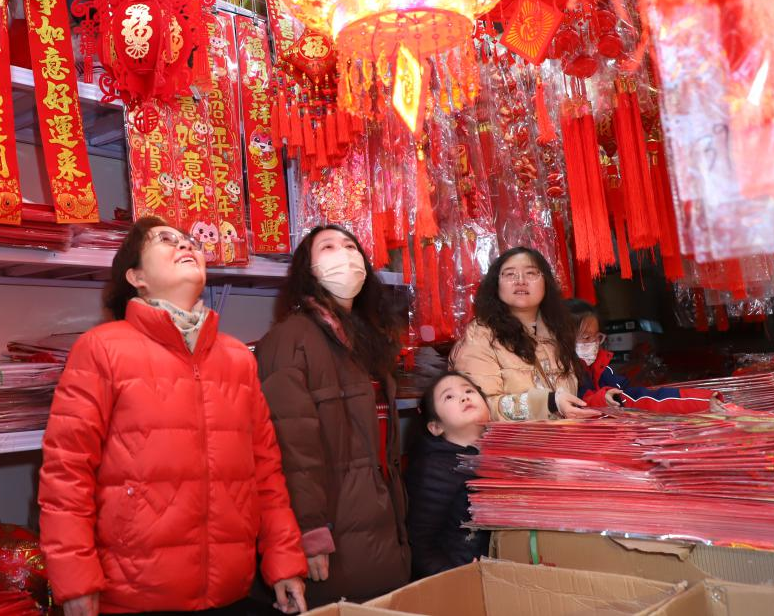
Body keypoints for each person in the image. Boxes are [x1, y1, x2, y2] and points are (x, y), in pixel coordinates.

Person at [39, 217, 308, 616]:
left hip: (230, 591)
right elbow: (67, 472)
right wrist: (75, 578)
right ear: (136, 277)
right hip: (134, 594)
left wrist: (284, 561)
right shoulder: (101, 349)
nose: (186, 246)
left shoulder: (237, 358)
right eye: (165, 240)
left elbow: (266, 473)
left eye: (190, 242)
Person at [254, 225, 411, 605]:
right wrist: (309, 533)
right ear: (307, 269)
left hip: (380, 526)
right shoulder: (290, 339)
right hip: (333, 536)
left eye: (351, 246)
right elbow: (292, 450)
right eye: (327, 247)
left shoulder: (366, 339)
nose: (345, 254)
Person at [450, 247, 601, 422]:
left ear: (546, 283)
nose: (520, 281)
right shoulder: (480, 336)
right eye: (510, 274)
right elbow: (479, 406)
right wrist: (548, 403)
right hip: (510, 439)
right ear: (496, 285)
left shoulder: (557, 332)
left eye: (531, 273)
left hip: (560, 436)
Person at [405, 372, 492, 579]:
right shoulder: (433, 468)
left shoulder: (494, 454)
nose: (464, 397)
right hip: (459, 578)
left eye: (469, 390)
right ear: (436, 427)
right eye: (449, 397)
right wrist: (454, 576)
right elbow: (419, 544)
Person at [566, 299, 717, 414]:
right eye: (586, 338)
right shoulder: (564, 377)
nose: (594, 344)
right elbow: (583, 403)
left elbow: (635, 397)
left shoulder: (602, 370)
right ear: (564, 339)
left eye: (597, 337)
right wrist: (602, 400)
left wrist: (703, 400)